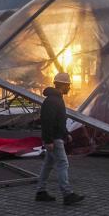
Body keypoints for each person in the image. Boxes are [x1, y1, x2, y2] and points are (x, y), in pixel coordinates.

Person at [35, 73, 85, 205]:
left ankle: (40, 192)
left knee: (48, 165)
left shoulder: (55, 99)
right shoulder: (53, 100)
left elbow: (59, 121)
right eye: (68, 85)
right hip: (54, 139)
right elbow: (47, 122)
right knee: (63, 164)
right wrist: (49, 141)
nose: (69, 88)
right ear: (62, 85)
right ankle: (67, 194)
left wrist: (66, 133)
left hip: (56, 137)